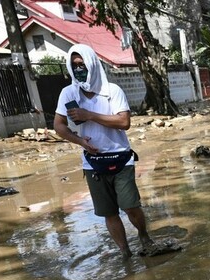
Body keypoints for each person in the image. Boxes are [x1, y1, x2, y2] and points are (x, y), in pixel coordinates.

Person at [53, 44, 157, 258]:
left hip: (121, 159)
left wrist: (89, 115)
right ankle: (125, 252)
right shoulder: (69, 93)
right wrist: (80, 141)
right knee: (108, 212)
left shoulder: (112, 91)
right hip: (93, 163)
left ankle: (144, 235)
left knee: (130, 206)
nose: (78, 69)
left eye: (82, 64)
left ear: (92, 64)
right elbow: (59, 126)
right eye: (74, 66)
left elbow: (124, 121)